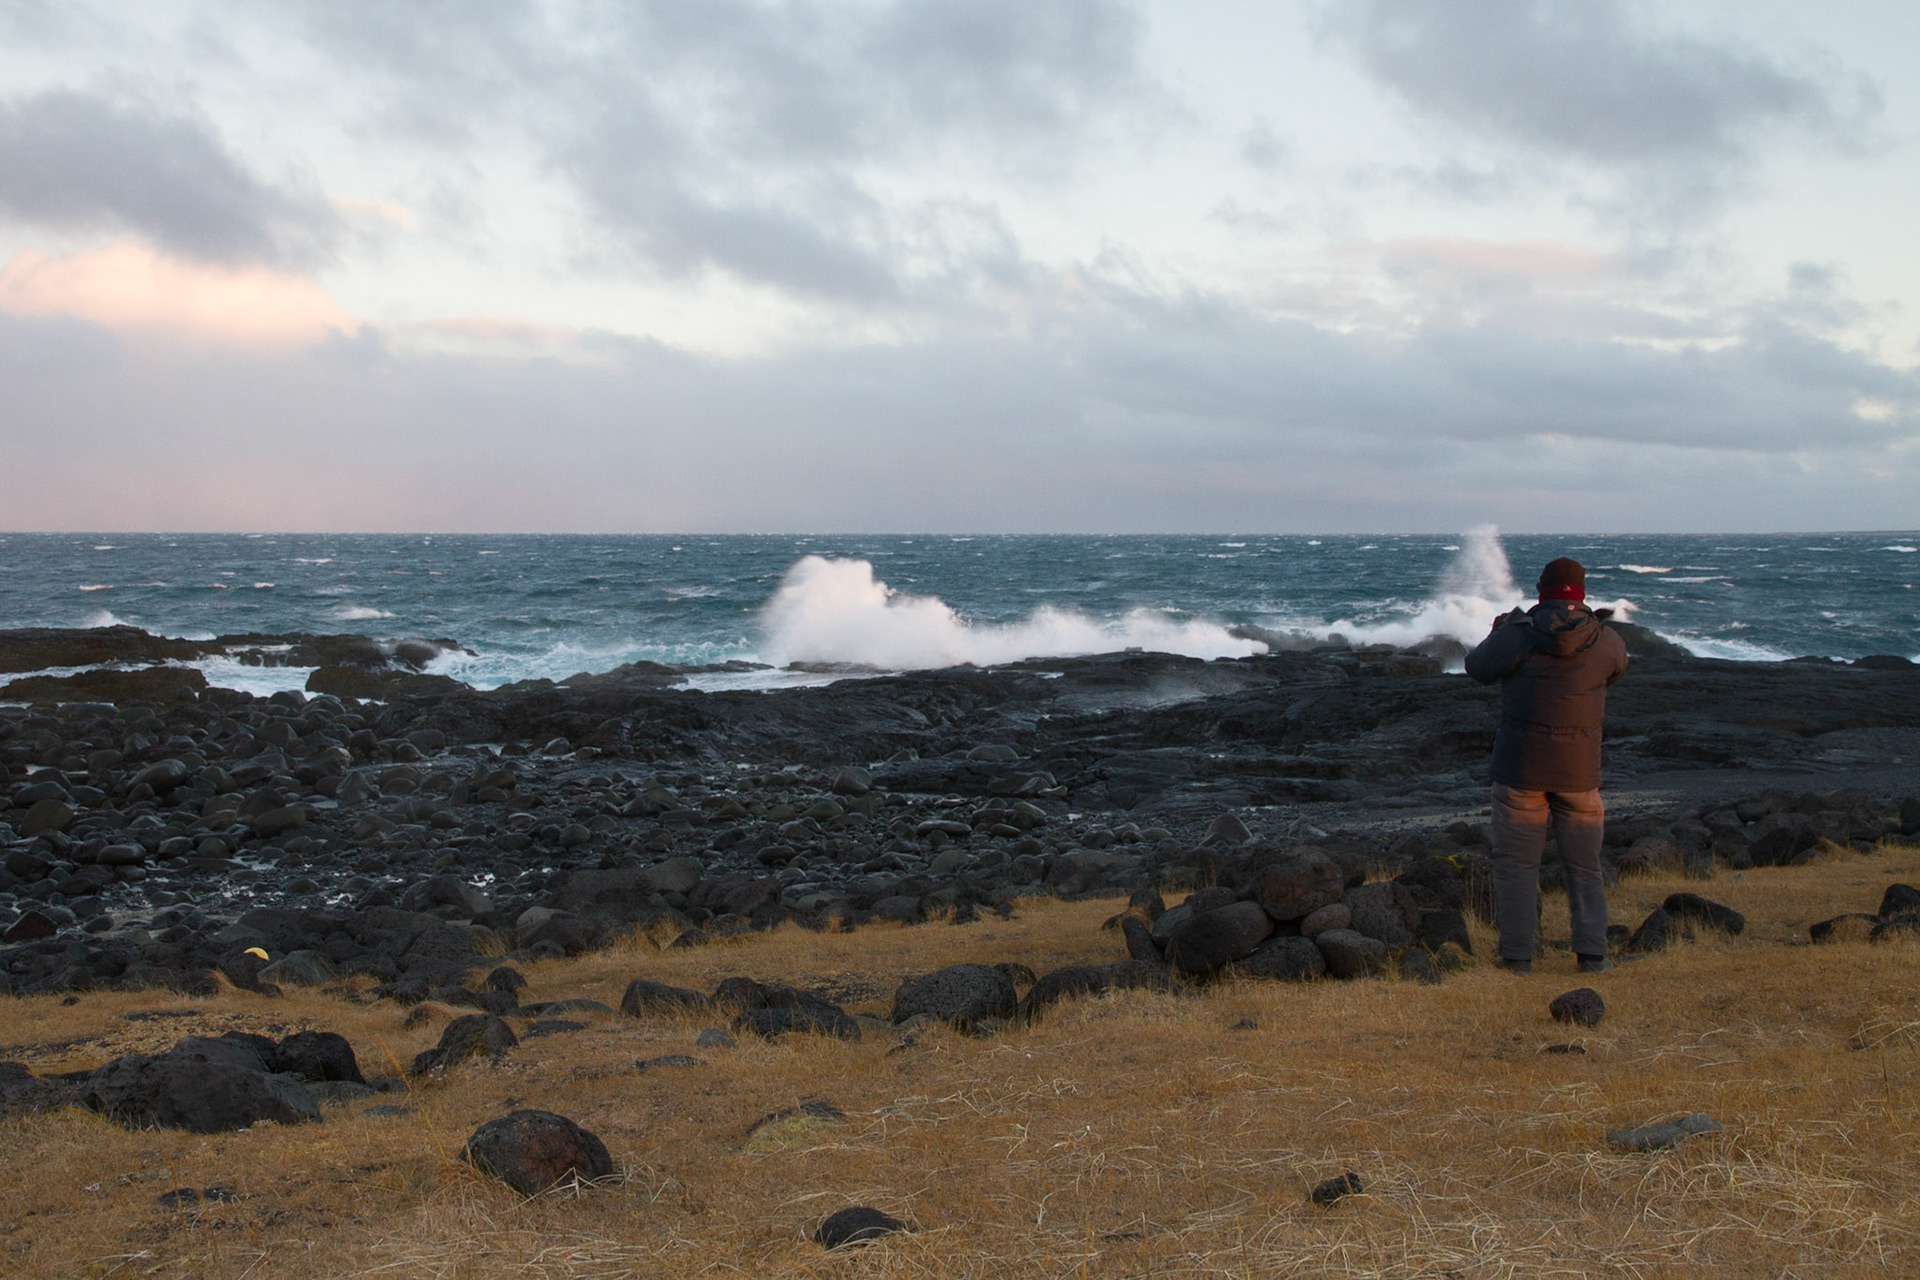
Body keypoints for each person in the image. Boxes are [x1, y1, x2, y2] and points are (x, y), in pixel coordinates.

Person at [1465, 557, 1629, 975]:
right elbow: (1616, 671)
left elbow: (1477, 667)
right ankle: (1593, 955)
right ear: (1583, 594)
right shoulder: (1606, 640)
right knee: (1584, 866)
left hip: (1520, 770)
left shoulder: (1519, 635)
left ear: (1542, 592)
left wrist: (1498, 631)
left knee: (1517, 866)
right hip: (1579, 772)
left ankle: (1518, 958)